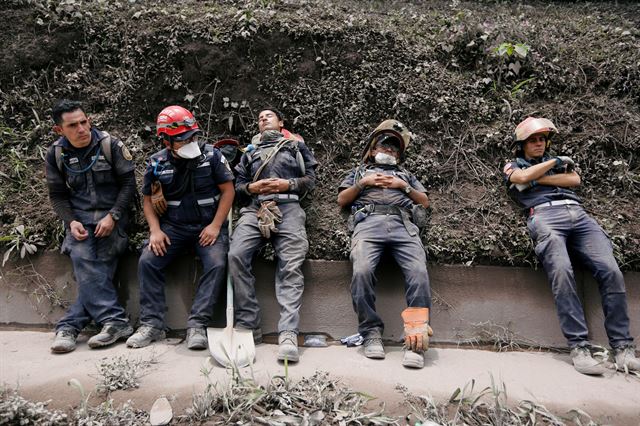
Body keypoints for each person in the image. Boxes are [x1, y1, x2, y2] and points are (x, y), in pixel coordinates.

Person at [503, 116, 639, 375]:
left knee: (611, 270)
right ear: (521, 144)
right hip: (544, 215)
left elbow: (574, 181)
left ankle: (623, 349)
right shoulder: (514, 163)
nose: (539, 144)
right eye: (533, 140)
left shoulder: (557, 167)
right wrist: (554, 163)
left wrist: (535, 180)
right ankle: (579, 347)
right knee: (562, 271)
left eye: (542, 139)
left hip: (579, 215)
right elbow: (519, 176)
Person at [127, 105, 234, 350]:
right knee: (148, 261)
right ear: (166, 141)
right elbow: (146, 200)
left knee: (217, 262)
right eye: (182, 139)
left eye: (193, 136)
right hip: (173, 227)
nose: (190, 141)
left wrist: (216, 227)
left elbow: (228, 192)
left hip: (208, 226)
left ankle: (198, 325)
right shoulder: (157, 163)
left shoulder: (213, 157)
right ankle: (152, 325)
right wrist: (155, 230)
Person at [337, 119, 433, 369]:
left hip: (403, 224)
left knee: (419, 274)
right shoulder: (359, 172)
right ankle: (370, 333)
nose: (389, 151)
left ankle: (415, 341)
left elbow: (424, 202)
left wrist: (405, 187)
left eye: (394, 149)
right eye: (384, 146)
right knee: (362, 271)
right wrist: (363, 184)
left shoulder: (406, 175)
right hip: (368, 223)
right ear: (372, 149)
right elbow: (342, 200)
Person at [45, 99, 136, 353]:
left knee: (96, 270)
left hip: (112, 220)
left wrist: (114, 215)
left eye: (84, 122)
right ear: (59, 130)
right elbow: (58, 196)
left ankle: (70, 326)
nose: (82, 128)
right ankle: (115, 322)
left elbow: (129, 185)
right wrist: (71, 221)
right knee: (85, 260)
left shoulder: (110, 145)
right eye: (73, 125)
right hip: (81, 222)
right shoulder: (56, 154)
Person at [228, 108, 317, 363]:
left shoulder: (296, 147)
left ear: (281, 122)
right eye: (259, 118)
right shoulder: (249, 152)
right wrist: (251, 187)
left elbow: (311, 179)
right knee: (235, 255)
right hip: (255, 208)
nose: (263, 119)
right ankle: (249, 323)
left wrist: (287, 184)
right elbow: (238, 185)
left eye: (269, 116)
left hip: (288, 207)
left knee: (290, 266)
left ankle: (288, 333)